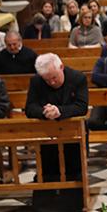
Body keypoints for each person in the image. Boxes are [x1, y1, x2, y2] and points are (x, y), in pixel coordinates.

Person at [25, 53, 89, 201]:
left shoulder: (77, 78)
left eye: (54, 77)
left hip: (73, 133)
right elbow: (29, 108)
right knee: (48, 167)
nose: (52, 82)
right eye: (47, 80)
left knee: (74, 166)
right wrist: (45, 112)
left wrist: (60, 111)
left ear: (61, 67)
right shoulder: (36, 81)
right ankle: (48, 199)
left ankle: (74, 198)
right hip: (47, 134)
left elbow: (82, 107)